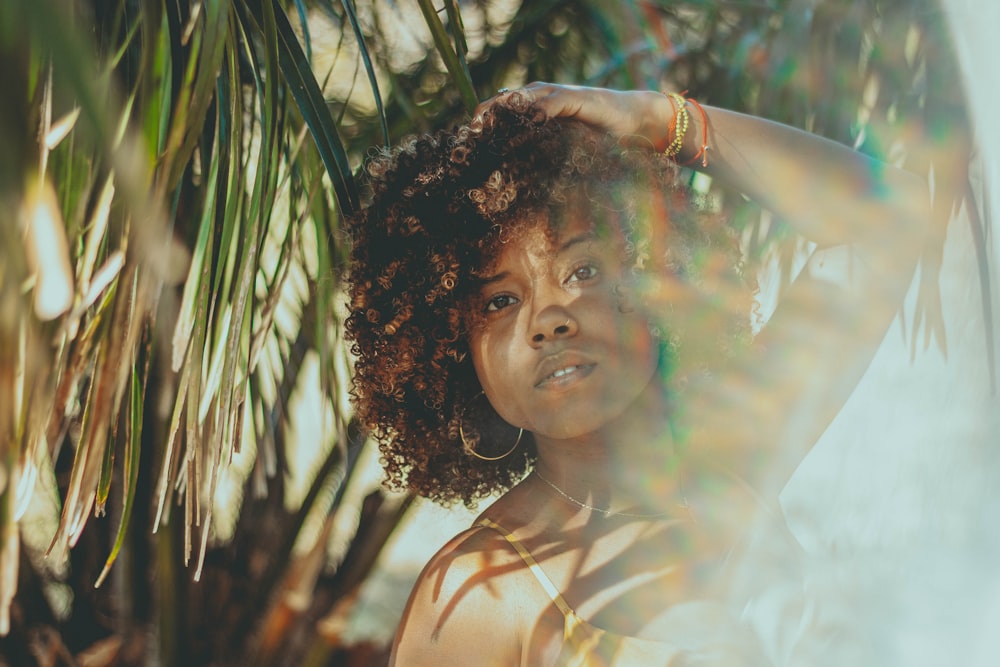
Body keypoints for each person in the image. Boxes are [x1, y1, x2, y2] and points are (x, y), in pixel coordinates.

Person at [344, 83, 929, 665]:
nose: (548, 318)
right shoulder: (478, 595)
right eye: (499, 301)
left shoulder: (731, 462)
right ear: (457, 355)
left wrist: (662, 120)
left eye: (582, 269)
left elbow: (891, 217)